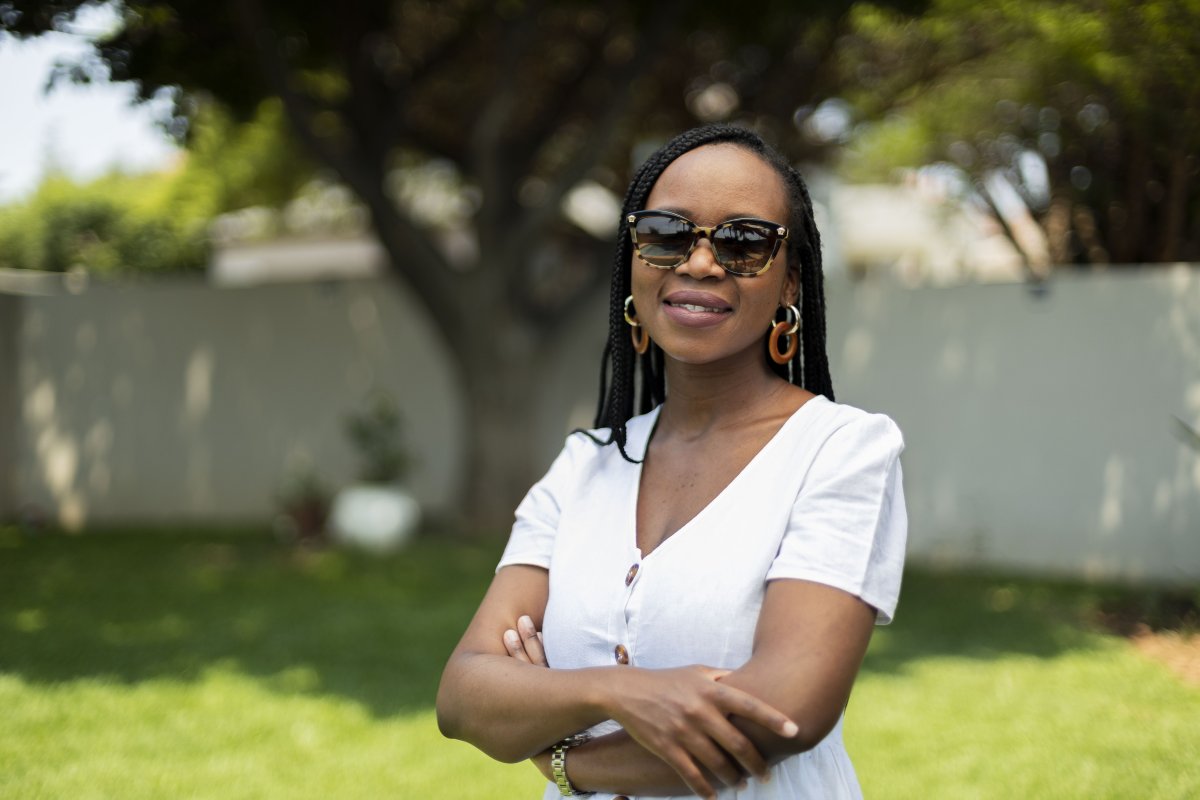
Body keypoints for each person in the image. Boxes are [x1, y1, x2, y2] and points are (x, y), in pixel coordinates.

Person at [437, 123, 907, 800]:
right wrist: (620, 690)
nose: (699, 263)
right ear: (634, 261)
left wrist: (557, 751)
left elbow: (781, 713)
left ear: (790, 284)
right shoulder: (584, 466)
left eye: (745, 242)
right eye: (667, 233)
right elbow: (462, 694)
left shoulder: (842, 451)